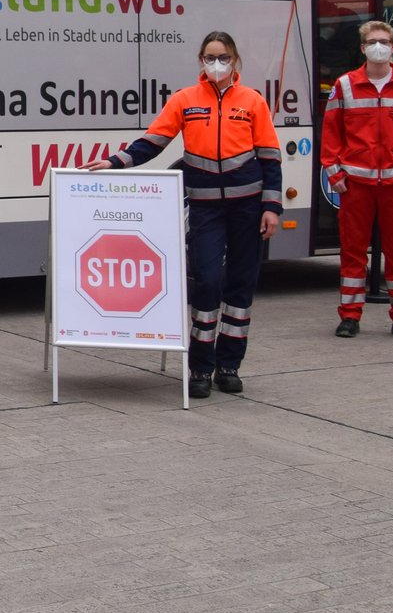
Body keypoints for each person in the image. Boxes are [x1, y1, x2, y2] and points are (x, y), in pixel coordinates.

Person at [84, 31, 282, 399]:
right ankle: (200, 369)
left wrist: (272, 207)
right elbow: (152, 142)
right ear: (200, 61)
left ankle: (229, 366)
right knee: (206, 280)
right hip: (205, 206)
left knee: (241, 283)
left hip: (248, 206)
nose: (216, 64)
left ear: (235, 60)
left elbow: (270, 157)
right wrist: (115, 161)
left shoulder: (252, 101)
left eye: (223, 57)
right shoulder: (185, 100)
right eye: (210, 57)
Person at [320, 20, 393, 342]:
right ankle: (350, 317)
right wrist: (335, 173)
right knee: (352, 254)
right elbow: (331, 134)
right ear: (362, 48)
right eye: (372, 41)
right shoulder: (344, 86)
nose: (378, 46)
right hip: (356, 185)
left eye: (384, 41)